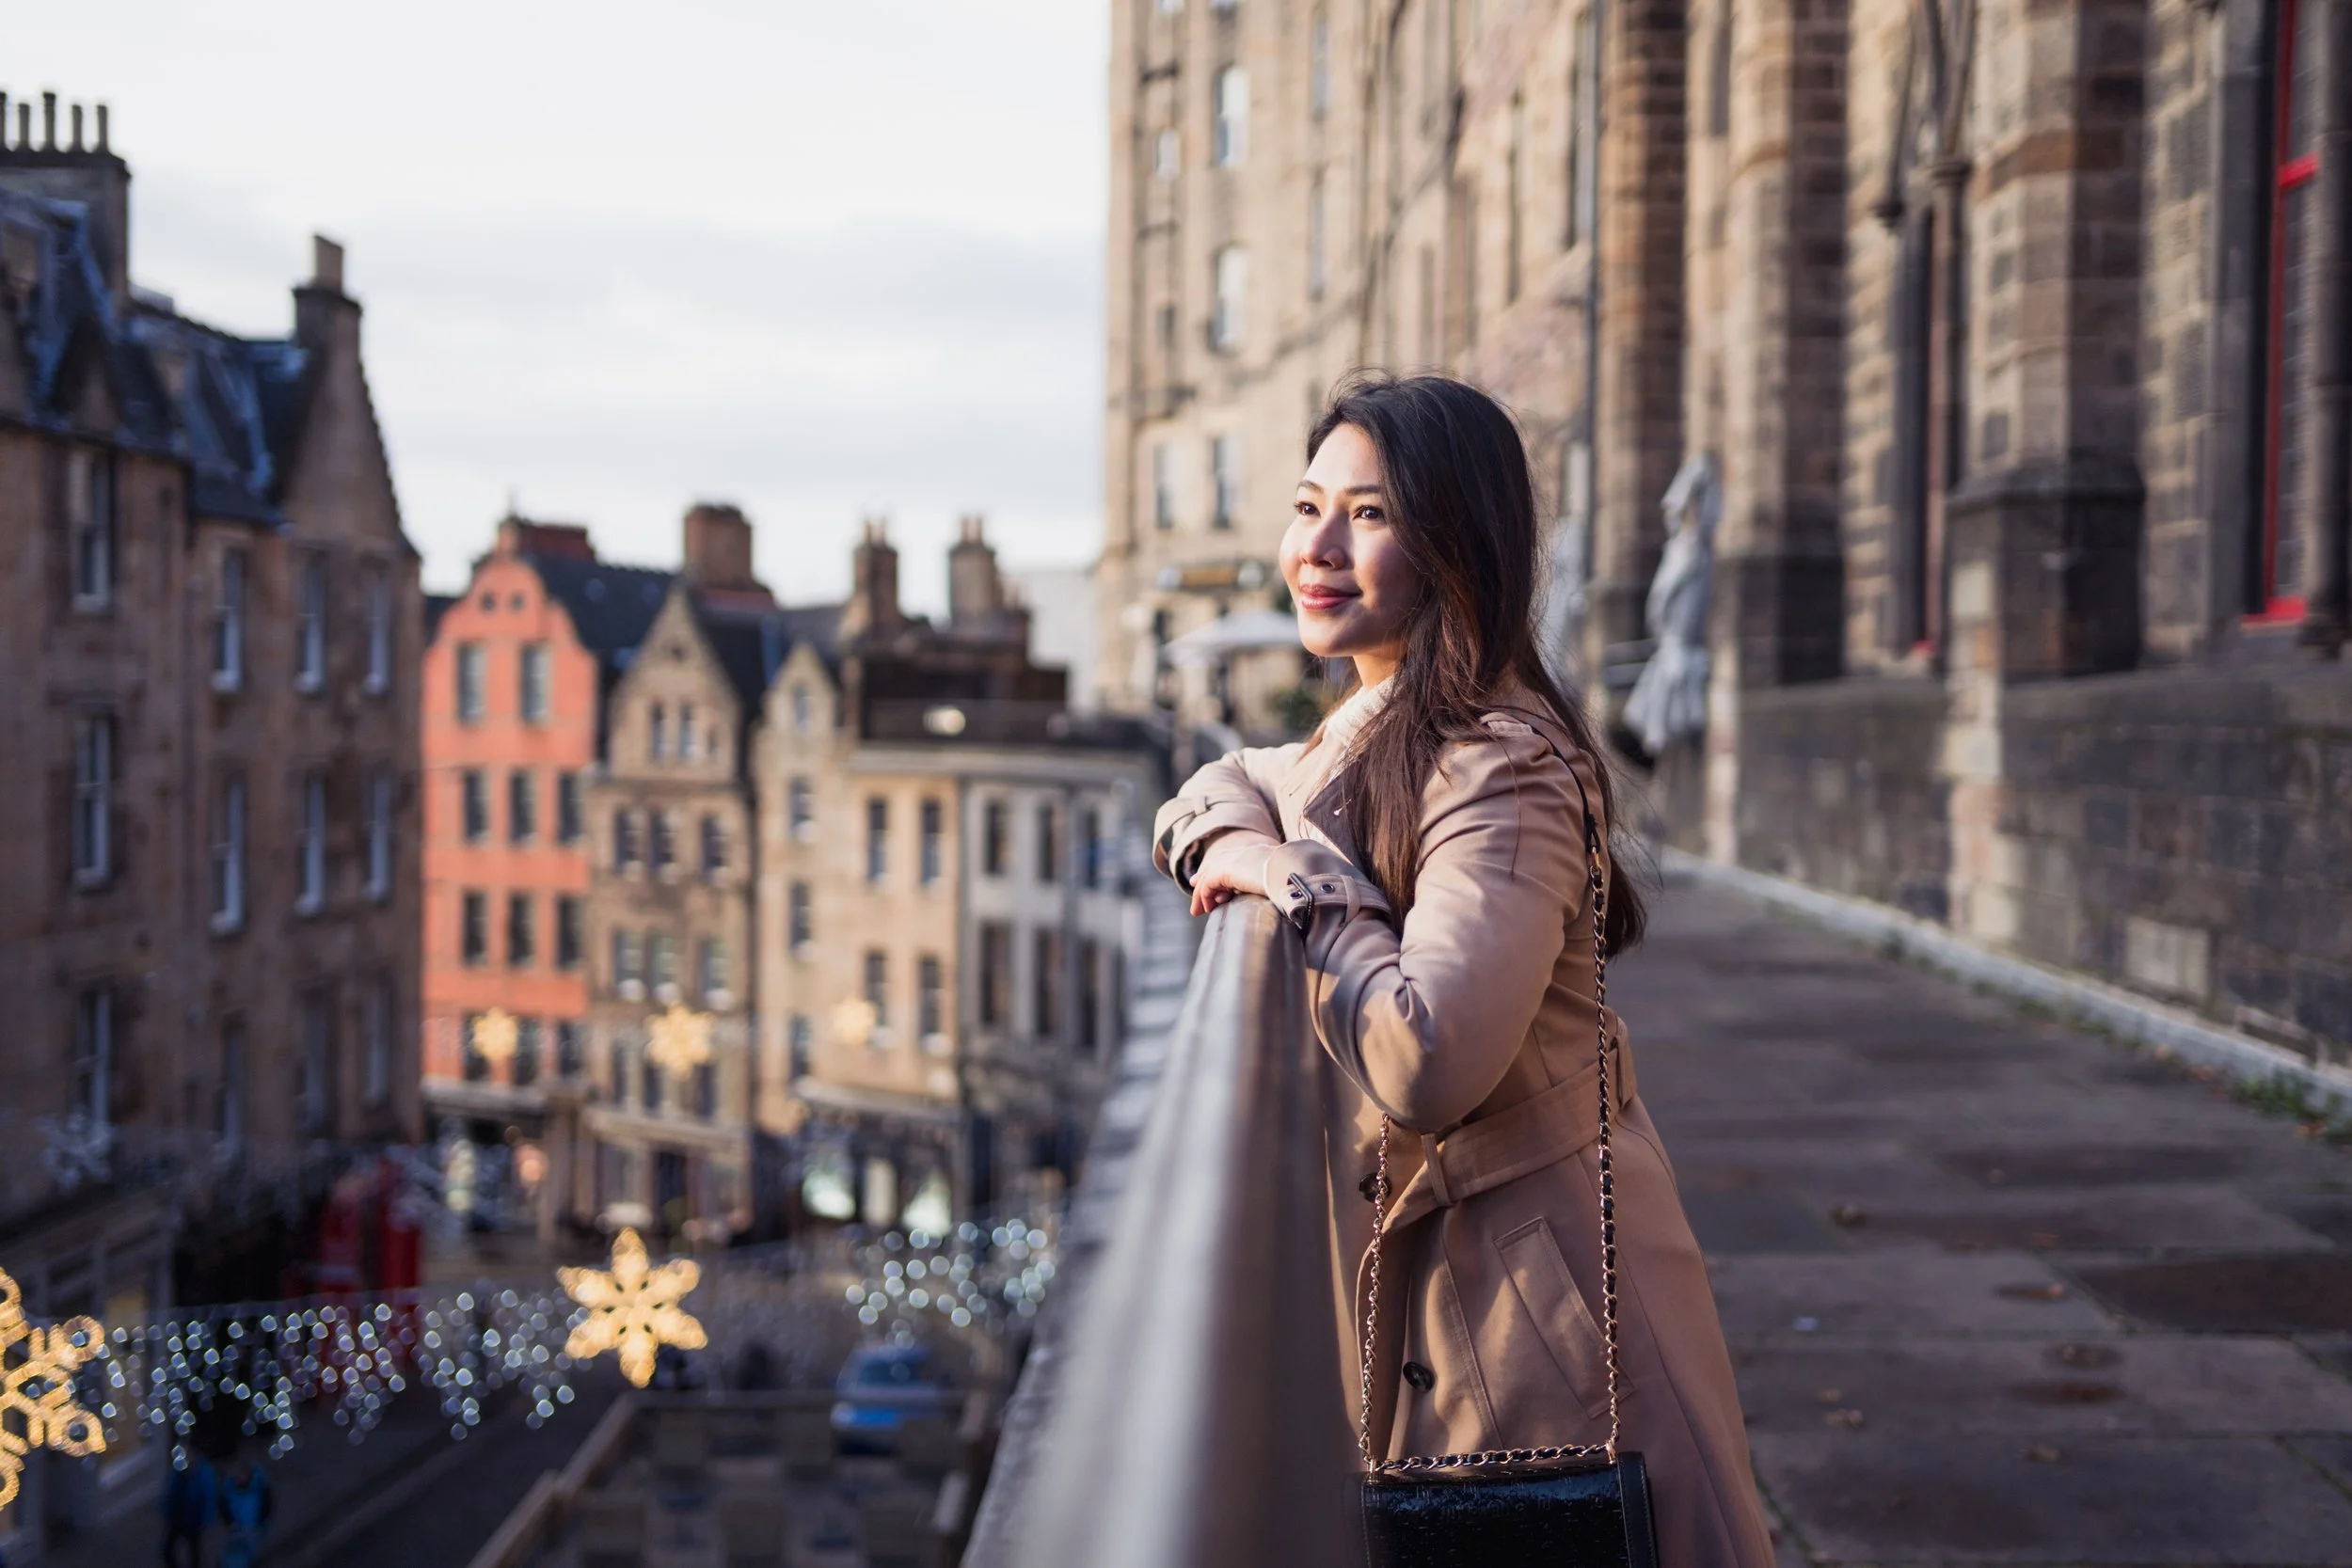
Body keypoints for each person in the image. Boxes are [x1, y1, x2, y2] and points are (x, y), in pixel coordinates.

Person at [1154, 374, 1774, 1568]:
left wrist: (1290, 877)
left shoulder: (1500, 764)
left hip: (1550, 1340)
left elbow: (1425, 1055)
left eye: (1370, 515)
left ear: (1454, 545)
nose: (1317, 547)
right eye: (1306, 505)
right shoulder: (1365, 725)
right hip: (1449, 1315)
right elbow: (1218, 781)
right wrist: (1235, 832)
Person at [158, 1450, 219, 1568]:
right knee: (167, 1550)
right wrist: (165, 1509)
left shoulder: (204, 1474)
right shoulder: (179, 1471)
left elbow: (209, 1498)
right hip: (176, 1517)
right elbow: (170, 1492)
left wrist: (206, 1519)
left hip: (193, 1520)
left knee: (194, 1551)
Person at [215, 1451, 273, 1568]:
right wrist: (230, 1523)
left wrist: (260, 1524)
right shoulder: (228, 1489)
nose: (238, 1478)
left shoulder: (259, 1487)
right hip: (236, 1531)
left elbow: (266, 1506)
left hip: (255, 1531)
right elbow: (223, 1508)